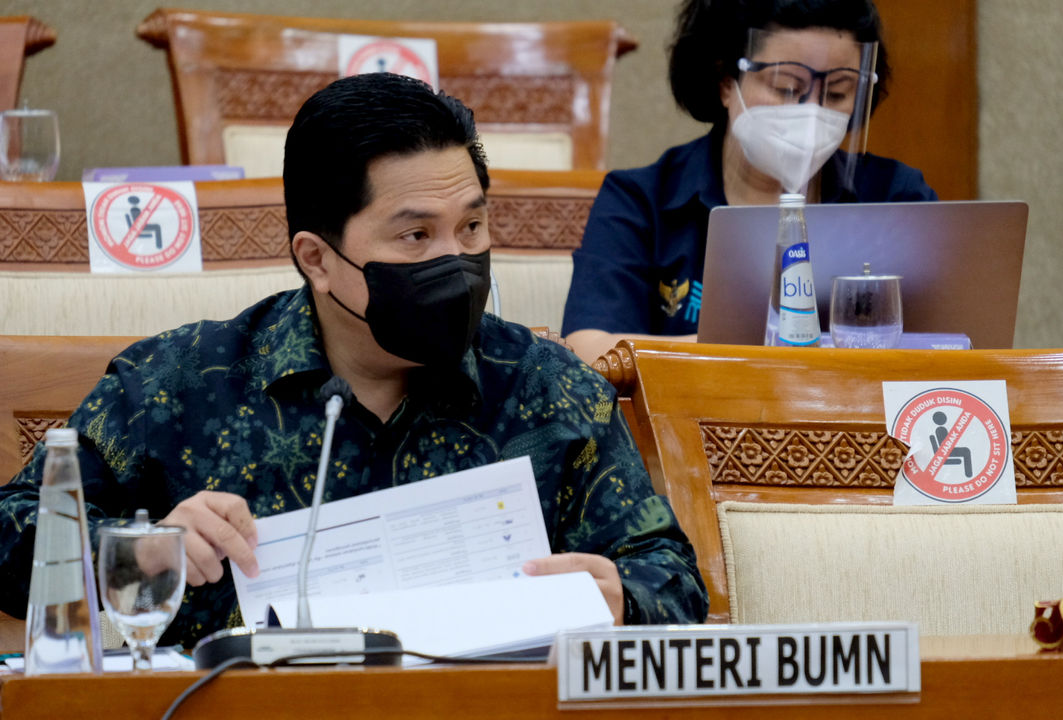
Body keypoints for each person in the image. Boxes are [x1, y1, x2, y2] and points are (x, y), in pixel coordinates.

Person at [0, 73, 708, 648]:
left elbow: (671, 578)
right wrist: (138, 550)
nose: (456, 261)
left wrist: (623, 597)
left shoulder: (545, 386)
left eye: (472, 225)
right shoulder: (183, 382)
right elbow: (11, 534)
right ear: (318, 259)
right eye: (414, 237)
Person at [562, 0, 939, 364]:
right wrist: (771, 350)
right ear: (727, 82)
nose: (812, 112)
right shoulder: (642, 201)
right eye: (786, 87)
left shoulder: (894, 197)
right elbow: (588, 349)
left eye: (837, 92)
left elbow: (958, 343)